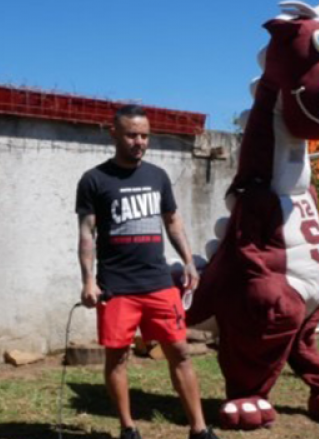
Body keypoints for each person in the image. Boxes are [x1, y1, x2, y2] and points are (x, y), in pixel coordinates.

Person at [76, 105, 219, 439]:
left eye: (144, 135)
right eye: (131, 135)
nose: (139, 141)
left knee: (180, 352)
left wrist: (186, 260)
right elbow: (86, 233)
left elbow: (172, 220)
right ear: (114, 134)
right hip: (116, 287)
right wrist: (87, 280)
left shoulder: (157, 176)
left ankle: (198, 429)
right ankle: (128, 428)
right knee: (117, 357)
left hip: (157, 282)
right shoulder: (94, 180)